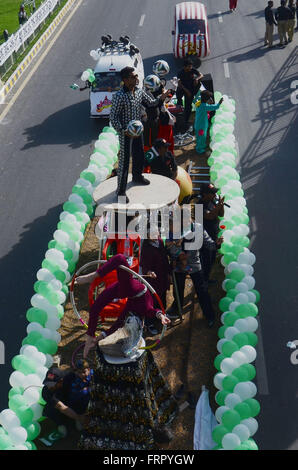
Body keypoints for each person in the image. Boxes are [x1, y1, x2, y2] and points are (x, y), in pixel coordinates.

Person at [74, 253, 171, 358]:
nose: (126, 320)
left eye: (127, 321)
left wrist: (99, 338)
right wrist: (161, 316)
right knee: (119, 259)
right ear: (141, 323)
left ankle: (90, 338)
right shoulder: (144, 310)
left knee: (96, 307)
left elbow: (116, 325)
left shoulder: (127, 313)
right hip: (131, 288)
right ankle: (92, 276)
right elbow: (153, 311)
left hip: (125, 290)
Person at [109, 67, 170, 203]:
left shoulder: (139, 92)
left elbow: (151, 104)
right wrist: (123, 130)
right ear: (125, 80)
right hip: (126, 133)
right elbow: (113, 117)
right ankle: (121, 192)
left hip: (138, 131)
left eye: (136, 76)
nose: (136, 78)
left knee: (139, 155)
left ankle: (137, 177)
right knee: (124, 162)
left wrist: (162, 98)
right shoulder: (119, 96)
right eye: (133, 76)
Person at [166, 214, 221, 328]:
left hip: (194, 264)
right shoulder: (175, 228)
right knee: (178, 289)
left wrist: (216, 244)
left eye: (187, 222)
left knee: (202, 290)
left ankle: (210, 315)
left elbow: (209, 244)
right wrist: (179, 255)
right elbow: (170, 244)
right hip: (179, 265)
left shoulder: (198, 228)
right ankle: (177, 308)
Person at [41, 360, 93, 437]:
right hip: (61, 408)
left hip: (71, 401)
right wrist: (80, 419)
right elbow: (62, 407)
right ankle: (61, 423)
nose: (50, 387)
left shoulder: (69, 376)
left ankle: (78, 415)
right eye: (48, 384)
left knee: (82, 395)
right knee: (50, 411)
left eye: (54, 384)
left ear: (61, 380)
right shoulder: (46, 392)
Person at [140, 224, 172, 335]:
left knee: (162, 297)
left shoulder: (160, 242)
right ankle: (150, 324)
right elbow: (144, 265)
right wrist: (149, 272)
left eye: (156, 232)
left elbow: (165, 258)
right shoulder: (146, 247)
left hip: (162, 277)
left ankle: (162, 317)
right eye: (151, 233)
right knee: (152, 301)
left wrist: (168, 272)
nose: (155, 234)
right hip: (153, 280)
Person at [198, 183, 225, 282]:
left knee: (212, 259)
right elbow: (210, 216)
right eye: (212, 193)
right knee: (206, 261)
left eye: (215, 193)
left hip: (213, 236)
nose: (214, 195)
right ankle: (203, 281)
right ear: (205, 194)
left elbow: (221, 214)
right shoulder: (199, 205)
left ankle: (206, 278)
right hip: (204, 240)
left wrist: (221, 206)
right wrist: (218, 206)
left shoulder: (212, 201)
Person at [176, 58, 204, 131]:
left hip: (191, 89)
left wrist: (197, 79)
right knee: (181, 105)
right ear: (184, 67)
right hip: (183, 89)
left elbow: (201, 75)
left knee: (188, 107)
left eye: (191, 66)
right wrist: (187, 91)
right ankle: (181, 120)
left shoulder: (192, 70)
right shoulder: (180, 73)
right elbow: (180, 85)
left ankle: (186, 120)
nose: (190, 68)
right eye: (188, 67)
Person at [194, 91, 223, 155]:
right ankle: (199, 149)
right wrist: (219, 103)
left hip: (200, 124)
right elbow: (214, 107)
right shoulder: (204, 106)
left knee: (202, 136)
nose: (210, 99)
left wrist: (199, 93)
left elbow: (195, 100)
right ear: (206, 99)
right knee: (201, 137)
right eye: (209, 98)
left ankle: (202, 145)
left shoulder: (199, 103)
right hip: (201, 125)